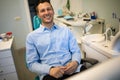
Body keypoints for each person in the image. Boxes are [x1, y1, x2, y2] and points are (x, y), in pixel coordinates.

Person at [26, 0, 83, 80]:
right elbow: (31, 64)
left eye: (49, 9)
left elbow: (76, 51)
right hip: (50, 74)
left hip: (72, 69)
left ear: (53, 11)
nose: (46, 13)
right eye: (42, 11)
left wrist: (75, 62)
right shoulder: (32, 37)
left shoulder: (66, 30)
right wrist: (50, 70)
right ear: (38, 15)